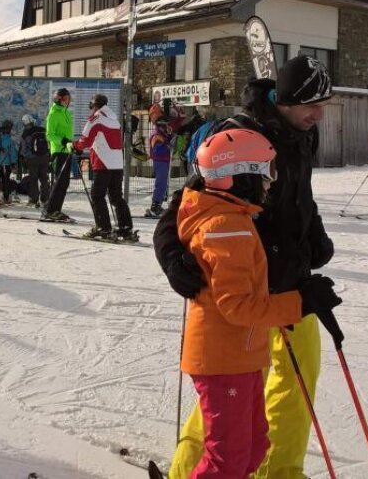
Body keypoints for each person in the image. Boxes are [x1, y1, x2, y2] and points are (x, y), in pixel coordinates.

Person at [154, 54, 336, 479]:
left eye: (323, 104)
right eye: (312, 105)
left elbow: (300, 195)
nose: (319, 115)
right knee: (230, 390)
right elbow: (186, 205)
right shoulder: (237, 136)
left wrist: (315, 236)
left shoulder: (302, 135)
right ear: (287, 100)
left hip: (291, 283)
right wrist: (171, 256)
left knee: (297, 381)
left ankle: (279, 472)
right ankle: (187, 471)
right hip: (243, 285)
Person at [180, 128, 341, 479]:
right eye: (267, 172)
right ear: (239, 176)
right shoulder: (227, 227)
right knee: (228, 460)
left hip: (244, 356)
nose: (272, 182)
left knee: (254, 447)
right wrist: (300, 303)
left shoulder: (235, 218)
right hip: (224, 359)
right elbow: (238, 307)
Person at [72, 94, 136, 241]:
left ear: (94, 105)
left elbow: (85, 140)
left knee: (97, 195)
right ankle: (126, 228)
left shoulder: (96, 119)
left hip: (103, 163)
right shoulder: (114, 120)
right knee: (116, 196)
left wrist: (75, 146)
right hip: (117, 164)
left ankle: (104, 228)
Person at [43, 88, 74, 222]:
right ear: (59, 99)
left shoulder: (66, 112)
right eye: (66, 98)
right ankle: (49, 210)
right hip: (58, 152)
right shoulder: (54, 114)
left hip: (67, 151)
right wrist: (63, 141)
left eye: (69, 98)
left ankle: (56, 209)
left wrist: (72, 144)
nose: (68, 101)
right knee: (59, 183)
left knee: (65, 183)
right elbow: (50, 135)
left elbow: (67, 133)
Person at [20, 114, 50, 207]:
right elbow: (49, 143)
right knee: (44, 178)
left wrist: (25, 158)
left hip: (32, 159)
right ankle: (45, 199)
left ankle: (34, 200)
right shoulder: (43, 130)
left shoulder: (25, 134)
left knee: (33, 179)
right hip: (45, 157)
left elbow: (23, 149)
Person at [146, 118, 172, 218]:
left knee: (163, 184)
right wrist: (168, 146)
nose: (167, 128)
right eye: (166, 126)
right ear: (162, 126)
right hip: (160, 161)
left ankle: (158, 205)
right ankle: (155, 207)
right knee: (161, 183)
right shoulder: (157, 135)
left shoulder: (161, 134)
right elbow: (157, 149)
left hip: (163, 161)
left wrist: (169, 138)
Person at [0, 119, 19, 204]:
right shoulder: (9, 140)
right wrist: (13, 163)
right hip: (6, 164)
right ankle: (6, 197)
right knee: (6, 181)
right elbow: (13, 153)